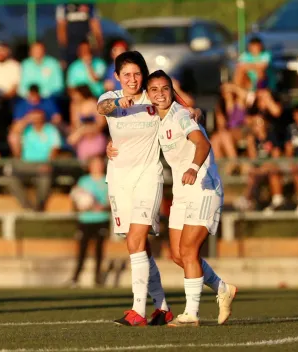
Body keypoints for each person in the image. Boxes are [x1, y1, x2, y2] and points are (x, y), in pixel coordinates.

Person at [108, 71, 236, 327]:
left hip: (203, 187)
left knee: (189, 250)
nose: (159, 94)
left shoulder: (179, 115)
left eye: (164, 89)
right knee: (178, 255)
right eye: (153, 90)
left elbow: (202, 144)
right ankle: (223, 288)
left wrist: (193, 167)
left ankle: (191, 313)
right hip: (182, 193)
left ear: (171, 90)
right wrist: (110, 146)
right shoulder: (156, 117)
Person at [96, 51, 172, 327]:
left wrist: (192, 108)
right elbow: (101, 110)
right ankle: (161, 306)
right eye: (126, 74)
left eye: (137, 73)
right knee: (138, 245)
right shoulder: (109, 99)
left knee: (135, 239)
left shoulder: (154, 98)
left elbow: (178, 102)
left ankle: (137, 309)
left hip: (148, 176)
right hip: (119, 178)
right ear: (117, 77)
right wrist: (119, 101)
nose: (132, 79)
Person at [69, 156, 110, 286]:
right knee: (82, 249)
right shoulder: (83, 181)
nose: (97, 166)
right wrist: (82, 206)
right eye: (94, 164)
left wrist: (101, 206)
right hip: (85, 220)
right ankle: (75, 278)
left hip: (101, 219)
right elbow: (76, 198)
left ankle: (98, 279)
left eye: (99, 164)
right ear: (90, 166)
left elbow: (112, 200)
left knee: (99, 249)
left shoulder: (108, 180)